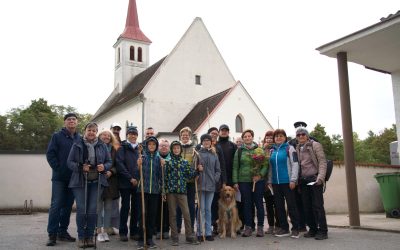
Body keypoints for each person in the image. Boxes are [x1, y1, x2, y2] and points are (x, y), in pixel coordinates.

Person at [67, 122, 112, 248]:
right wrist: (81, 167)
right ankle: (81, 237)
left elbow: (109, 162)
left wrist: (104, 166)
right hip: (80, 182)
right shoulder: (77, 144)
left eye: (94, 130)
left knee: (92, 211)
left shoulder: (102, 145)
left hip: (96, 182)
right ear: (85, 131)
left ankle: (90, 237)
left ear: (96, 132)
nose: (91, 132)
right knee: (82, 210)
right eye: (89, 130)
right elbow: (69, 162)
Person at [45, 112, 80, 246]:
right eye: (69, 119)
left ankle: (62, 232)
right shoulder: (57, 136)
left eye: (74, 119)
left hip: (74, 178)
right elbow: (50, 154)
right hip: (59, 178)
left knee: (67, 206)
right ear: (65, 122)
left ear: (77, 122)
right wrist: (58, 169)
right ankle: (52, 235)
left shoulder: (79, 138)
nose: (71, 121)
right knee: (56, 205)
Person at [164, 141, 201, 246]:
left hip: (182, 192)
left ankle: (189, 235)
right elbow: (165, 178)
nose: (176, 150)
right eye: (174, 148)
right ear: (172, 150)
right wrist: (164, 192)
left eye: (178, 148)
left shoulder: (184, 162)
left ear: (180, 150)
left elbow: (190, 175)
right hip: (171, 192)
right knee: (173, 214)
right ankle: (174, 237)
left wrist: (197, 170)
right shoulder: (168, 162)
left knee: (187, 213)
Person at [233, 129, 267, 237]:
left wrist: (260, 175)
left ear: (252, 137)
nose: (247, 138)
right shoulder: (239, 151)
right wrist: (235, 181)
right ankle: (248, 227)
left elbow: (265, 165)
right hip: (244, 181)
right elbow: (235, 167)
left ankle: (260, 227)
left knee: (259, 204)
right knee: (247, 204)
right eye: (245, 137)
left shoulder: (259, 150)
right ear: (243, 139)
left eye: (249, 136)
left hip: (258, 181)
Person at [295, 127, 328, 240]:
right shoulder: (298, 147)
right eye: (298, 135)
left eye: (303, 134)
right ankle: (313, 229)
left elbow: (322, 162)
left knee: (318, 206)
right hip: (303, 181)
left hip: (315, 179)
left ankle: (323, 231)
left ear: (307, 135)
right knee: (307, 207)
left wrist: (320, 178)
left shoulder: (315, 145)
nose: (301, 136)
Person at [268, 129, 300, 238]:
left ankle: (296, 229)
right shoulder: (272, 151)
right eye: (276, 136)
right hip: (276, 183)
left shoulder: (290, 149)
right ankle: (284, 228)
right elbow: (270, 167)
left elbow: (295, 164)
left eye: (281, 136)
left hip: (288, 182)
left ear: (285, 137)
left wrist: (293, 180)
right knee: (279, 207)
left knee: (292, 206)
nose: (278, 138)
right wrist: (269, 181)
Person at [288, 121, 317, 232]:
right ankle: (301, 224)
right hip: (297, 177)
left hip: (311, 176)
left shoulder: (313, 141)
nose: (300, 134)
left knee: (313, 203)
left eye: (302, 129)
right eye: (297, 131)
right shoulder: (291, 142)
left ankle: (315, 225)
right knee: (299, 202)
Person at [136, 136, 163, 249]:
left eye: (154, 145)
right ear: (147, 146)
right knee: (142, 215)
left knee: (152, 216)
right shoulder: (142, 157)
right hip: (143, 190)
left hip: (155, 191)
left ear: (156, 147)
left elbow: (160, 177)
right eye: (150, 144)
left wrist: (163, 167)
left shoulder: (158, 159)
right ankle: (141, 239)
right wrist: (138, 165)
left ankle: (150, 239)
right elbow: (136, 173)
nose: (151, 146)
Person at [116, 126, 140, 242]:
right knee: (125, 207)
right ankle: (123, 232)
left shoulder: (140, 149)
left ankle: (134, 231)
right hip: (125, 183)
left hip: (137, 183)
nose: (133, 136)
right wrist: (130, 178)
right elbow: (120, 165)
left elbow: (141, 165)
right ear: (127, 135)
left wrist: (137, 179)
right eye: (131, 134)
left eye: (135, 134)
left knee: (136, 208)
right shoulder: (122, 148)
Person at [195, 134, 221, 241]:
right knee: (201, 209)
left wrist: (215, 179)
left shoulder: (214, 155)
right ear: (201, 142)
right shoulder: (197, 154)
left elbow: (218, 170)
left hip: (211, 185)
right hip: (201, 185)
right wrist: (197, 169)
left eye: (208, 140)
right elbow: (193, 169)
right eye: (204, 140)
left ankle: (208, 232)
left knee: (208, 209)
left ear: (211, 142)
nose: (206, 142)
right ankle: (200, 232)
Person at [96, 130, 120, 242]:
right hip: (98, 181)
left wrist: (111, 171)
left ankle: (105, 231)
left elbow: (118, 165)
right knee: (98, 207)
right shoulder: (95, 147)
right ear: (99, 136)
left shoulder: (114, 150)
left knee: (108, 208)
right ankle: (98, 230)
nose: (106, 137)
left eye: (108, 136)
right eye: (103, 135)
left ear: (111, 138)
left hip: (111, 182)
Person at [176, 127, 197, 233]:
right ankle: (178, 227)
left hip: (191, 182)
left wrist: (196, 171)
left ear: (190, 136)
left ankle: (191, 227)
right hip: (179, 182)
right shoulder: (176, 147)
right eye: (183, 135)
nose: (185, 136)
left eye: (187, 135)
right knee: (179, 206)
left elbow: (196, 163)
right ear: (180, 136)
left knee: (190, 206)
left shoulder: (194, 148)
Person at [262, 130, 280, 234]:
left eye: (270, 137)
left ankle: (279, 225)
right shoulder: (261, 150)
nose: (269, 139)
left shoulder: (276, 149)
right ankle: (271, 226)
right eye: (267, 137)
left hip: (276, 181)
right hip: (265, 183)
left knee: (277, 204)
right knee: (268, 205)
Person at [155, 138, 171, 240]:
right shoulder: (155, 157)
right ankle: (158, 230)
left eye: (166, 145)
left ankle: (166, 230)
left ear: (169, 148)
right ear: (158, 147)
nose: (164, 147)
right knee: (157, 209)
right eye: (161, 145)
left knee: (167, 210)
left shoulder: (172, 158)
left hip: (168, 188)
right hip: (157, 188)